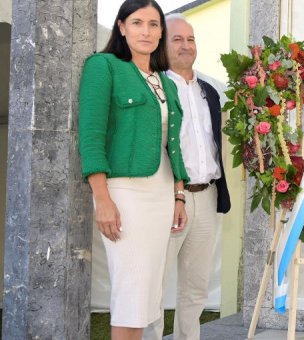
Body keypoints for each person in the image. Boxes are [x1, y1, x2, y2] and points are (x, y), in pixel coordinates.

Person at [78, 1, 190, 339]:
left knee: (146, 296)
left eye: (154, 24)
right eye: (137, 22)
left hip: (162, 195)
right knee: (130, 294)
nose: (146, 31)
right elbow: (92, 135)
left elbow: (173, 146)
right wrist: (103, 199)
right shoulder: (104, 66)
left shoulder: (165, 83)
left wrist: (179, 195)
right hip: (125, 194)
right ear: (122, 27)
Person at [142, 14, 231, 340]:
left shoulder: (210, 90)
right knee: (154, 282)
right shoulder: (154, 87)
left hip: (206, 196)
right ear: (163, 47)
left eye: (190, 39)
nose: (185, 45)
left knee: (196, 286)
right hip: (166, 197)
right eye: (177, 39)